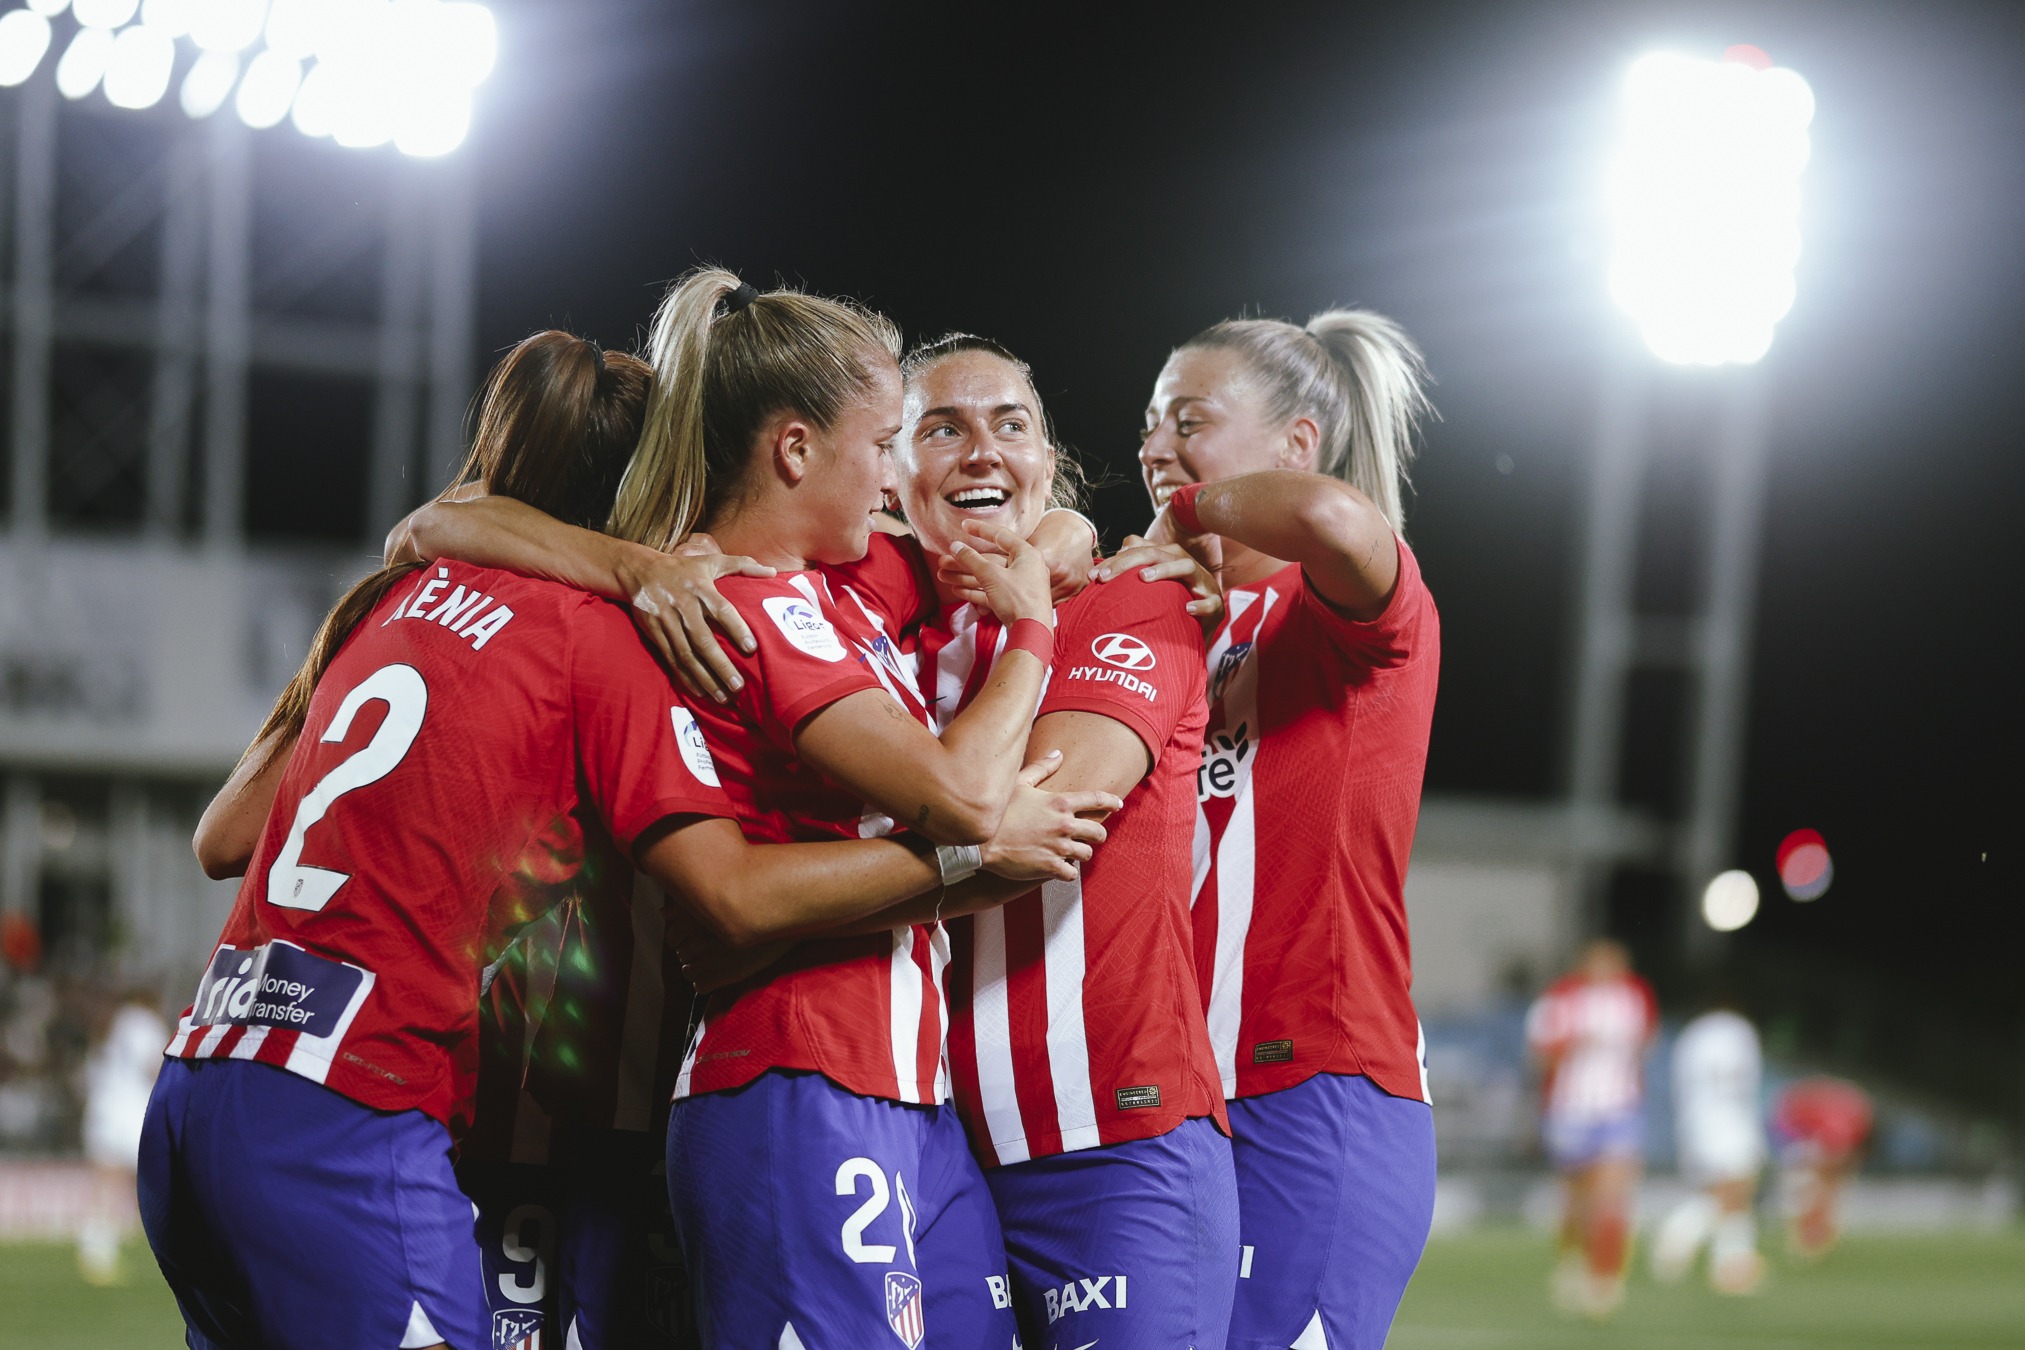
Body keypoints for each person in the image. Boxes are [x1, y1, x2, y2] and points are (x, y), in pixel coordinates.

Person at [153, 329, 1096, 1350]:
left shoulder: (391, 598)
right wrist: (968, 864)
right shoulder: (610, 637)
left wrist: (1059, 532)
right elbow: (728, 903)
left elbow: (224, 833)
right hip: (378, 1098)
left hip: (208, 1073)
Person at [1127, 308, 1442, 1350]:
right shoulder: (1173, 623)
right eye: (1149, 426)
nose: (1155, 446)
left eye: (1191, 419)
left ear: (1297, 443)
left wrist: (1190, 507)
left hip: (1315, 1091)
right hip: (1186, 1101)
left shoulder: (1340, 613)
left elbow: (1337, 522)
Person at [1525, 939, 1658, 1318]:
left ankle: (1605, 1279)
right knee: (1577, 1200)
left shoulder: (1636, 995)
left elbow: (1646, 1041)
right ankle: (1571, 1261)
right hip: (1571, 1110)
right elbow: (1541, 1056)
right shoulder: (1562, 998)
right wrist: (1575, 1046)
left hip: (1620, 1108)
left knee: (1612, 1195)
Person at [1652, 998, 1767, 1293]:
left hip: (1697, 1120)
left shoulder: (1691, 1034)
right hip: (1727, 1117)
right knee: (1734, 1190)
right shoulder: (1739, 1032)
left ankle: (1728, 1259)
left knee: (1728, 1192)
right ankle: (1690, 1237)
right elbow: (1746, 1079)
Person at [76, 990, 170, 1285]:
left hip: (104, 1107)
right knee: (150, 1178)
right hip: (130, 1111)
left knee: (107, 1180)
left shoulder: (115, 1023)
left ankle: (97, 1242)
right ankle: (165, 1241)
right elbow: (154, 1068)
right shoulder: (145, 1023)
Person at [1773, 1074, 1873, 1259]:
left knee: (1824, 1192)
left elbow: (1848, 1154)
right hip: (1805, 1144)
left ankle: (1815, 1234)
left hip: (1823, 1147)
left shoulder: (1850, 1115)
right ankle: (1807, 1234)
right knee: (1805, 1193)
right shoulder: (1808, 1107)